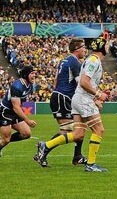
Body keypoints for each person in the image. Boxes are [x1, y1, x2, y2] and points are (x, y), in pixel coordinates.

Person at [38, 38, 110, 172]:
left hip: (77, 98)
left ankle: (46, 145)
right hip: (83, 99)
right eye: (106, 45)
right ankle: (91, 165)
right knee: (99, 130)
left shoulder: (90, 60)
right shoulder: (93, 60)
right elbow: (83, 82)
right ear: (101, 47)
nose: (108, 47)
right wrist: (98, 95)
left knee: (78, 134)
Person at [34, 38, 88, 167]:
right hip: (63, 98)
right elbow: (81, 84)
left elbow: (56, 80)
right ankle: (44, 147)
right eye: (83, 47)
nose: (85, 50)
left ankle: (77, 156)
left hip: (61, 96)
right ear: (77, 49)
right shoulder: (75, 63)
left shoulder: (64, 60)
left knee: (74, 128)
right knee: (74, 130)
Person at [0, 66, 38, 165]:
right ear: (26, 75)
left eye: (35, 73)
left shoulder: (30, 85)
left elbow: (20, 104)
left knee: (26, 134)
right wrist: (27, 120)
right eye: (32, 73)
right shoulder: (17, 86)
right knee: (6, 139)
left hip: (14, 112)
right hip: (5, 112)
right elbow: (16, 107)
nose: (34, 75)